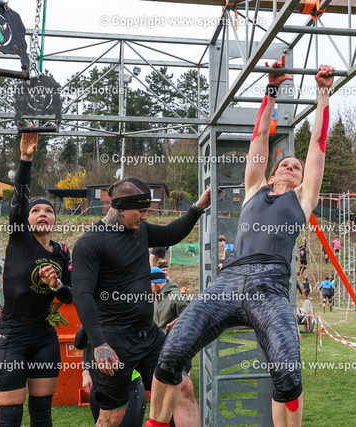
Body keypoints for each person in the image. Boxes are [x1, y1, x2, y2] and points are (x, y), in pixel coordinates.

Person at [149, 57, 334, 427]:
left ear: (303, 180)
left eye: (297, 167)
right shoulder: (253, 188)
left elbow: (318, 143)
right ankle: (155, 423)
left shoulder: (302, 199)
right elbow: (260, 137)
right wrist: (271, 88)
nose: (291, 167)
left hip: (270, 286)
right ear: (271, 173)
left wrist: (323, 94)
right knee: (171, 353)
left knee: (288, 373)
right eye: (285, 165)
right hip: (228, 281)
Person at [71, 176, 210, 427]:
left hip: (148, 335)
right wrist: (100, 345)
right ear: (120, 208)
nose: (145, 216)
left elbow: (170, 233)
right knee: (113, 416)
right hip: (113, 340)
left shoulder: (140, 230)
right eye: (141, 211)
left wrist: (198, 207)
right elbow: (82, 295)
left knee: (183, 386)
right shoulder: (90, 243)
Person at [0, 131, 73, 426]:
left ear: (55, 219)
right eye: (35, 211)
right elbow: (20, 197)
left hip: (44, 338)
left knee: (42, 414)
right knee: (10, 418)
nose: (42, 214)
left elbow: (69, 296)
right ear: (26, 218)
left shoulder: (62, 252)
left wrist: (56, 284)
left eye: (48, 210)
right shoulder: (20, 239)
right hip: (10, 337)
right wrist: (25, 159)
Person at [150, 267, 200, 427]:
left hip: (177, 354)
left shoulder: (176, 296)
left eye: (148, 284)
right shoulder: (157, 298)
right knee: (168, 398)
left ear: (156, 283)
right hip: (162, 352)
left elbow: (192, 321)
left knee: (179, 394)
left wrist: (173, 330)